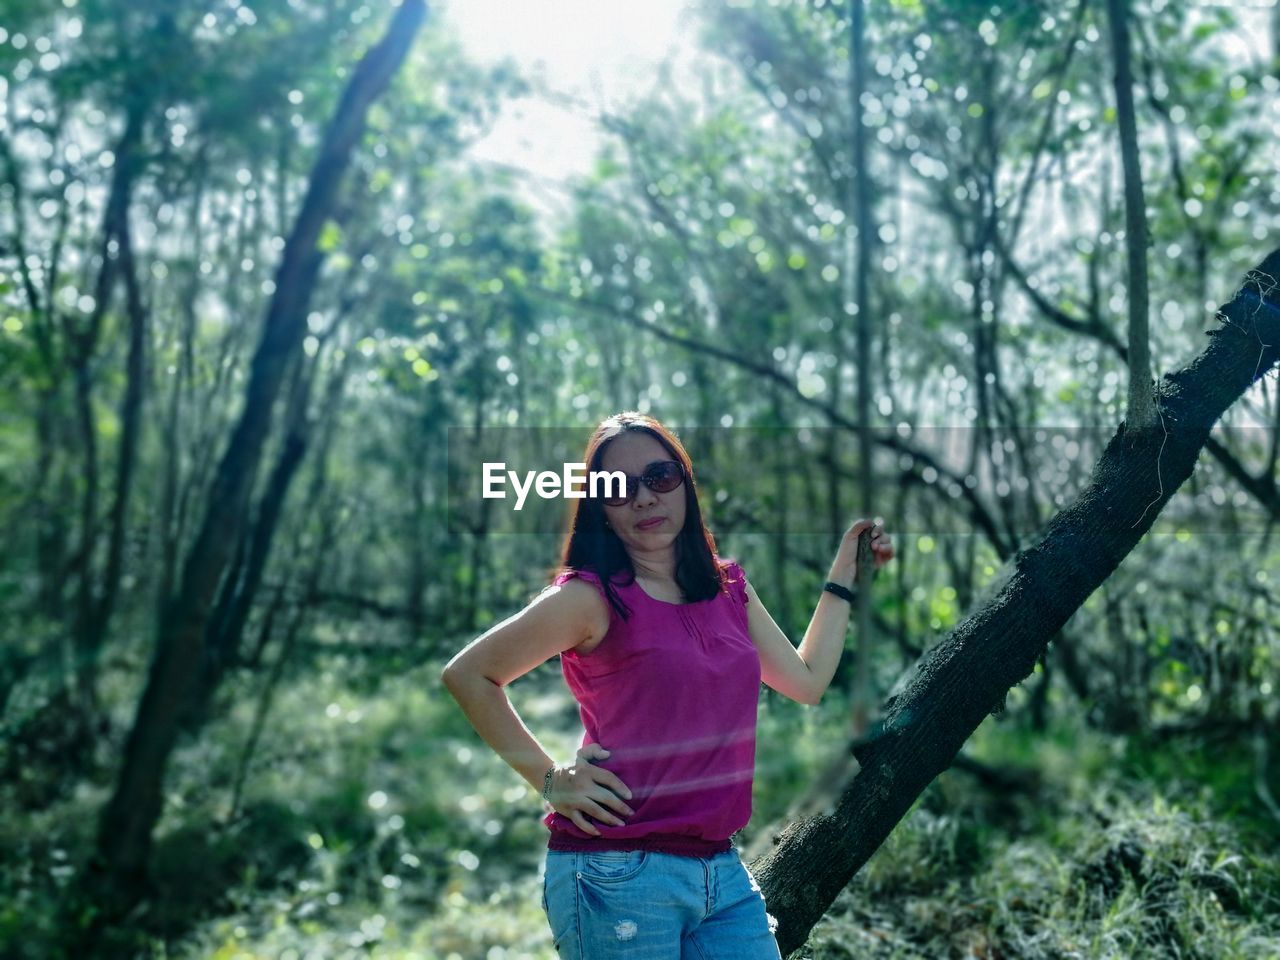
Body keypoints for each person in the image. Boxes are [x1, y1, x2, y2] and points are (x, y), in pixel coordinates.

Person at [441, 412, 893, 959]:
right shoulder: (589, 598)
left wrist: (844, 575)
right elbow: (470, 674)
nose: (644, 498)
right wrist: (549, 780)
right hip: (615, 872)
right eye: (618, 487)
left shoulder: (729, 590)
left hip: (720, 871)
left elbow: (806, 680)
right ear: (599, 508)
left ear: (685, 483)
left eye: (660, 477)